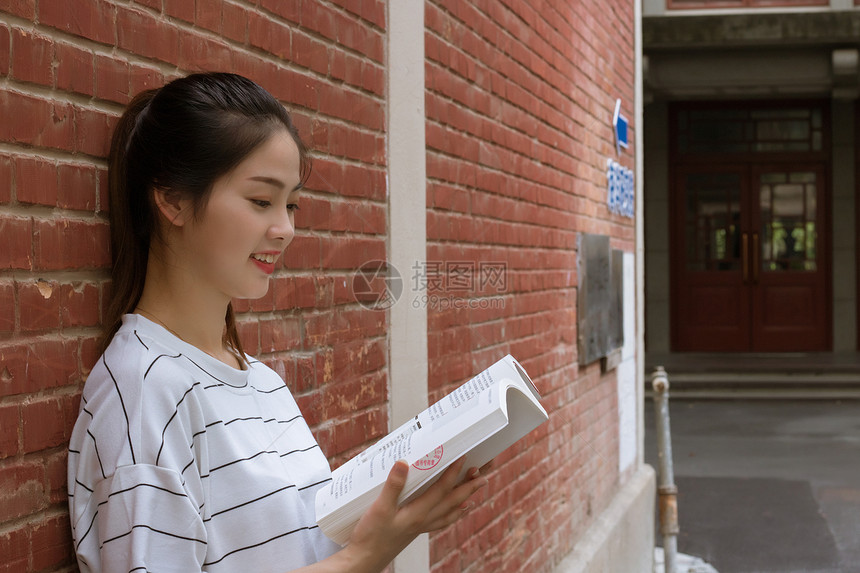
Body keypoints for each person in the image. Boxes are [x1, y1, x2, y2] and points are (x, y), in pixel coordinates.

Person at [67, 72, 488, 573]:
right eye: (261, 201)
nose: (286, 229)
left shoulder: (263, 384)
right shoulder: (143, 390)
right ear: (173, 199)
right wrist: (364, 557)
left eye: (290, 204)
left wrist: (393, 519)